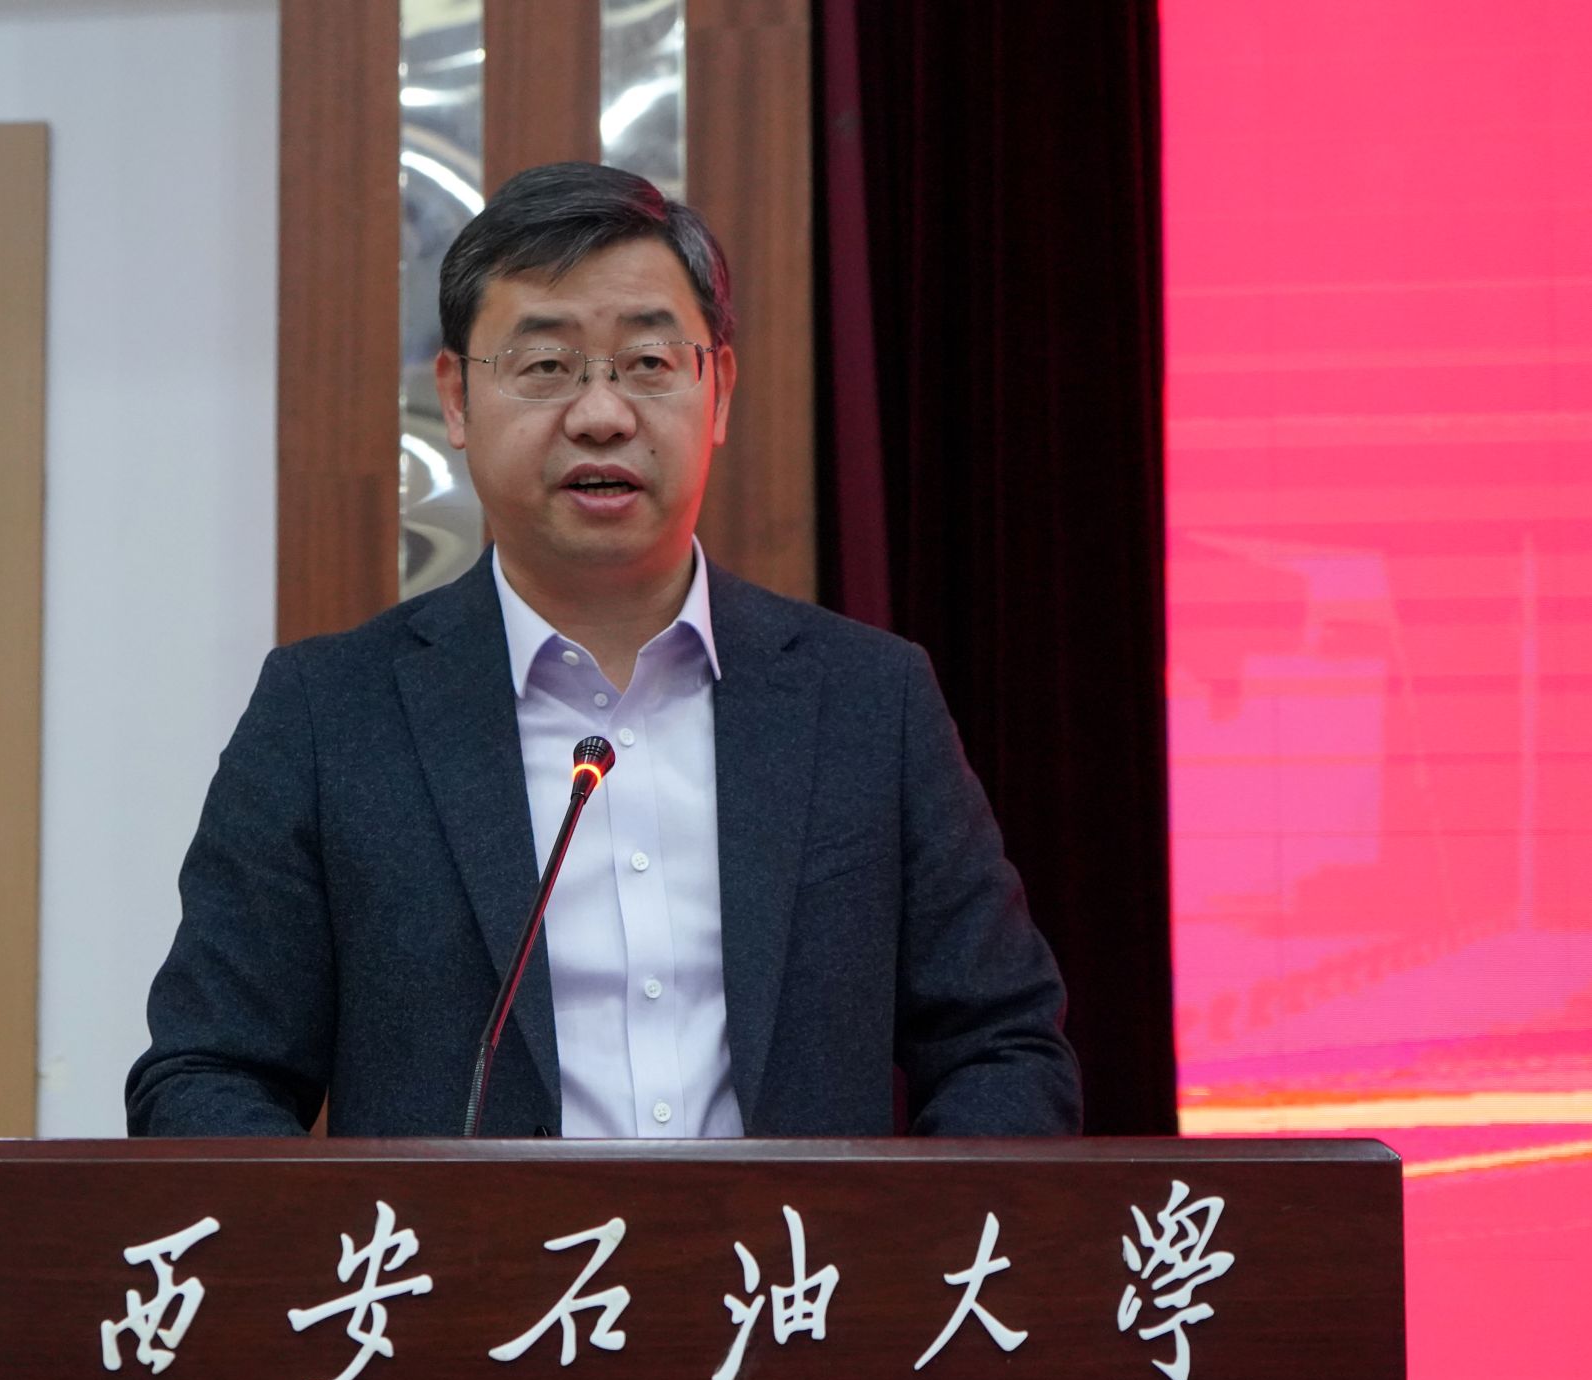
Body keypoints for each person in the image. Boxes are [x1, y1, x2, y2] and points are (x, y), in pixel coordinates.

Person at [127, 161, 1079, 1139]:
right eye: (545, 366)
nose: (600, 414)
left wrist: (901, 1235)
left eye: (649, 363)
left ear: (717, 392)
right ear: (455, 399)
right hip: (469, 1250)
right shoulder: (328, 716)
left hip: (791, 1249)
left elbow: (1001, 1047)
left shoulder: (869, 701)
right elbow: (209, 1071)